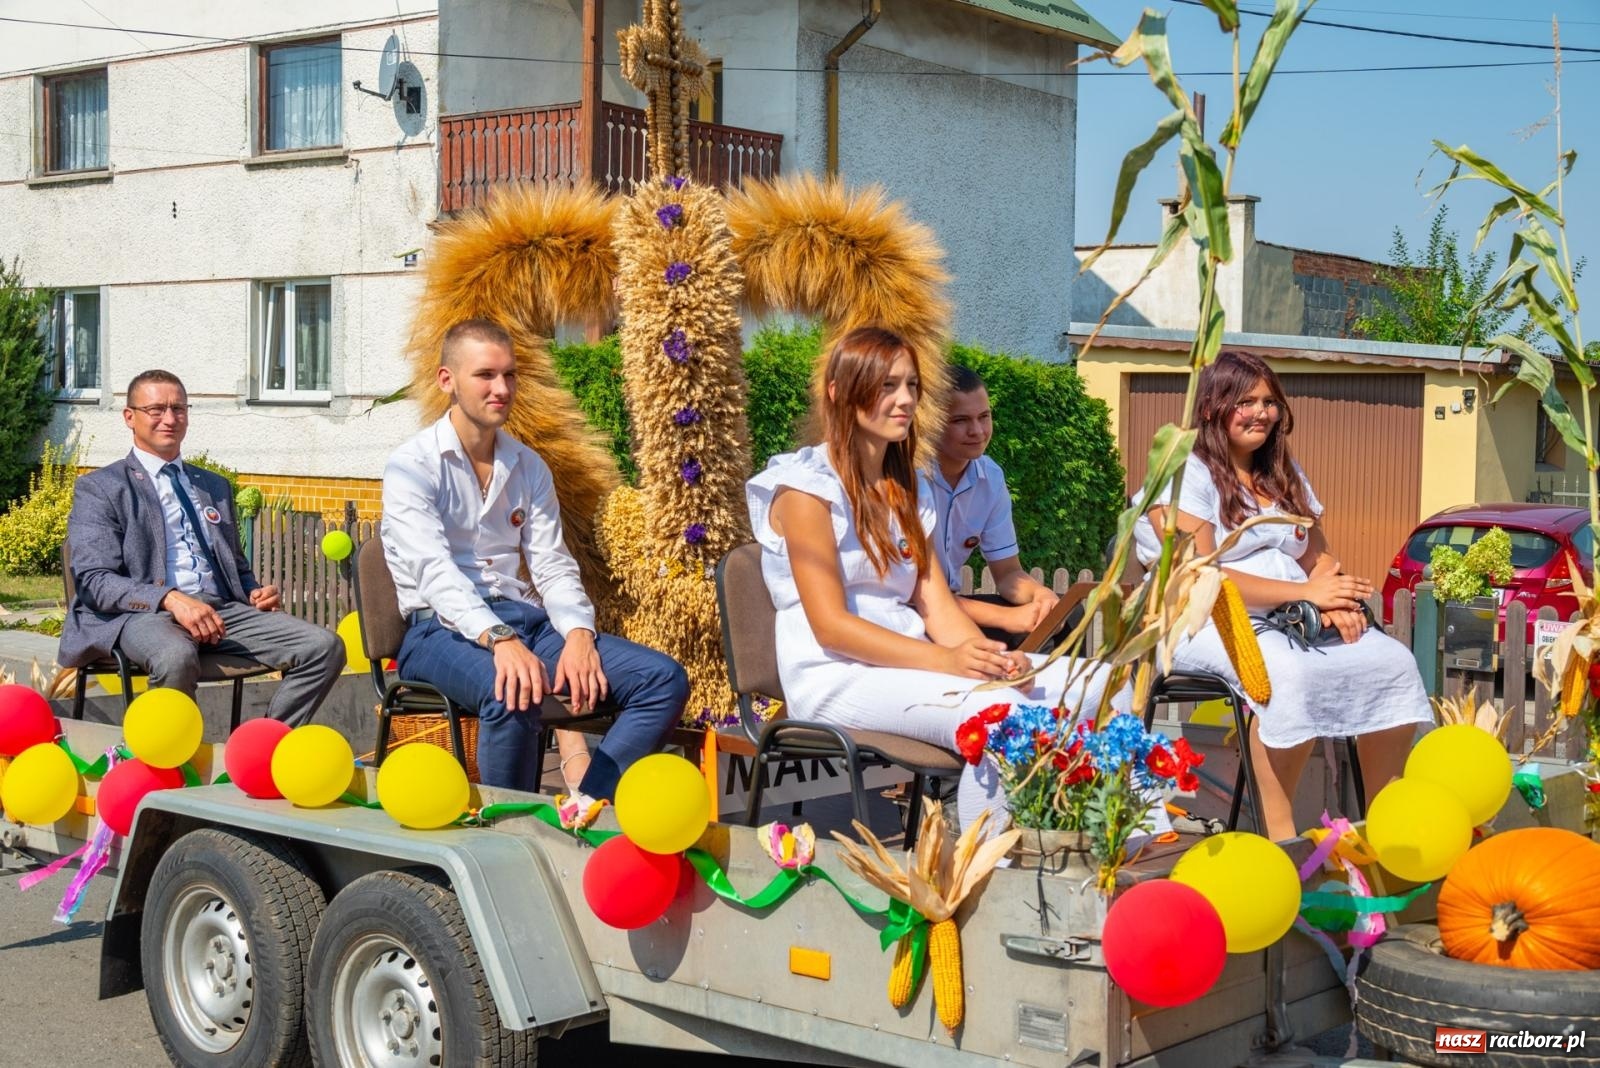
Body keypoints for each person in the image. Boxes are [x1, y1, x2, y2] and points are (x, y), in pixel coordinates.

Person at [746, 327, 1128, 833]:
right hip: (833, 675)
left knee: (1106, 685)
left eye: (911, 386)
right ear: (839, 392)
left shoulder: (907, 488)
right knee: (1001, 715)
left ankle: (1108, 847)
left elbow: (936, 605)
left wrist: (989, 659)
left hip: (907, 665)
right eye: (887, 387)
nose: (905, 400)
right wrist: (946, 661)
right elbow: (831, 627)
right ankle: (987, 876)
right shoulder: (804, 491)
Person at [382, 318, 688, 813]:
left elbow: (552, 566)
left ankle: (585, 805)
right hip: (436, 632)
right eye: (485, 375)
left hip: (526, 623)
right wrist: (498, 640)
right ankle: (512, 830)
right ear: (447, 381)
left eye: (509, 375)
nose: (501, 388)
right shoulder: (411, 467)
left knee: (662, 679)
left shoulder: (528, 467)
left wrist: (579, 636)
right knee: (513, 691)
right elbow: (435, 573)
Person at [1134, 351, 1429, 842]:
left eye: (1269, 401)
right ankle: (1278, 834)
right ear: (1211, 406)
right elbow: (1203, 573)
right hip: (1205, 619)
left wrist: (1333, 599)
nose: (1261, 413)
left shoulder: (1281, 473)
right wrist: (1307, 594)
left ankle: (1382, 825)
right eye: (1245, 401)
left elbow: (1319, 557)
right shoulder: (1187, 471)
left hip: (1291, 614)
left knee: (1392, 662)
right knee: (1289, 677)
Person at [60, 370, 346, 725]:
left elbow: (234, 565)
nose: (169, 418)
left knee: (323, 648)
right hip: (141, 615)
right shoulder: (101, 488)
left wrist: (254, 591)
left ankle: (264, 748)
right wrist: (170, 598)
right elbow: (94, 581)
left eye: (179, 409)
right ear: (129, 417)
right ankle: (172, 761)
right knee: (175, 656)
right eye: (156, 409)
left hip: (220, 611)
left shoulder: (212, 485)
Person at [929, 365, 1061, 646]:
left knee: (1062, 621)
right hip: (912, 613)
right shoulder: (907, 479)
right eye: (961, 420)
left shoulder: (990, 478)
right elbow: (917, 596)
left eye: (984, 416)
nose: (977, 431)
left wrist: (1040, 596)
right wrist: (1006, 618)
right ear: (931, 422)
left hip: (953, 606)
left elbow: (1008, 574)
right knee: (1019, 628)